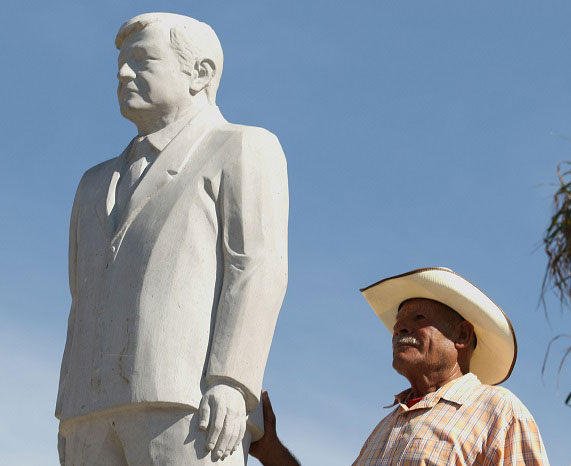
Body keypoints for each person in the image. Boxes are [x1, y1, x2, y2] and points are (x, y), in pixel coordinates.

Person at [55, 12, 289, 465]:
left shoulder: (241, 147)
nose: (124, 74)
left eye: (143, 61)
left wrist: (231, 381)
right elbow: (80, 293)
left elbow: (257, 268)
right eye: (121, 64)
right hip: (88, 409)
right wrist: (69, 409)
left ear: (199, 73)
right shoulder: (92, 183)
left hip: (186, 402)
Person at [250, 267, 549, 465]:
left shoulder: (499, 412)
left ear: (462, 335)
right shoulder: (386, 428)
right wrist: (270, 450)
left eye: (418, 319)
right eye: (398, 324)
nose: (400, 329)